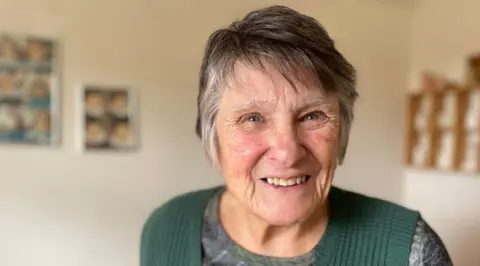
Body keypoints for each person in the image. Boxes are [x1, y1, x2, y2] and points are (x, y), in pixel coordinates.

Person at [141, 5, 452, 266]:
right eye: (253, 118)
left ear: (341, 128)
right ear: (213, 137)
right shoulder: (166, 228)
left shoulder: (408, 251)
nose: (287, 152)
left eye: (312, 116)